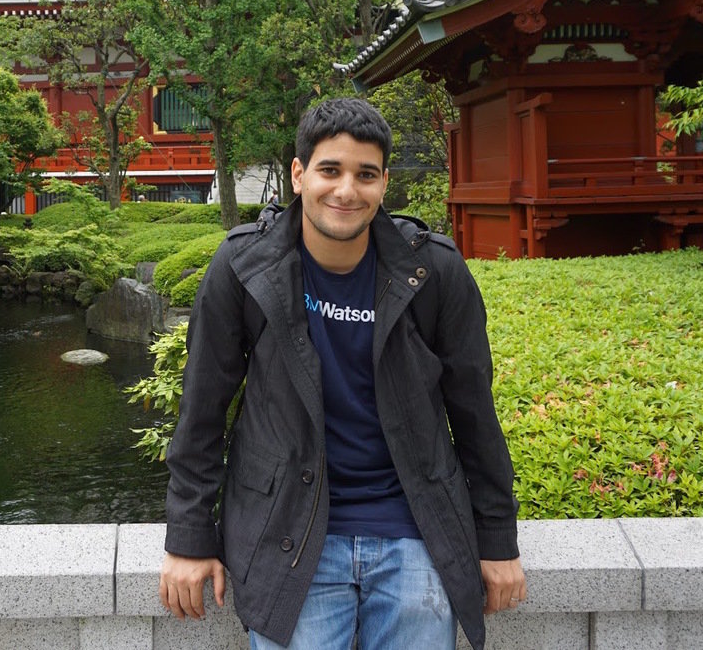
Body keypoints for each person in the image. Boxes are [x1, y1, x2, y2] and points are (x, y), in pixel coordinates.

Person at [160, 97, 526, 649]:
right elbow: (202, 409)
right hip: (289, 525)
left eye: (366, 175)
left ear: (384, 184)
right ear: (299, 174)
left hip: (411, 525)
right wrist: (189, 536)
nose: (346, 191)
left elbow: (474, 411)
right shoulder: (244, 266)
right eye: (330, 170)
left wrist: (497, 538)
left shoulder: (434, 271)